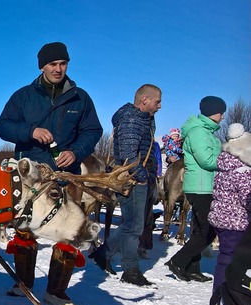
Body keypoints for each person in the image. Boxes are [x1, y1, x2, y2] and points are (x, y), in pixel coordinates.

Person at [0, 41, 103, 305]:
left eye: (63, 63)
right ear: (42, 66)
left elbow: (93, 131)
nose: (58, 68)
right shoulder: (23, 96)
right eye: (53, 64)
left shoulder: (80, 98)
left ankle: (56, 291)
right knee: (25, 229)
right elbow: (3, 126)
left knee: (71, 229)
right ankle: (23, 283)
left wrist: (76, 151)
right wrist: (30, 132)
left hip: (67, 174)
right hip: (31, 175)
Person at [89, 85, 162, 287]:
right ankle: (130, 269)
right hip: (134, 178)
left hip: (138, 176)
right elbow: (130, 154)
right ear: (145, 99)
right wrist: (141, 176)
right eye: (157, 102)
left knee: (131, 223)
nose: (160, 106)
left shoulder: (140, 119)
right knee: (134, 226)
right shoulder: (133, 119)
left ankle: (103, 254)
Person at [165, 96, 226, 282]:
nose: (222, 117)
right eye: (220, 113)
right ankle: (177, 261)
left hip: (206, 185)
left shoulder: (205, 131)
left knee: (200, 229)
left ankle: (192, 267)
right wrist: (230, 161)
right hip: (201, 186)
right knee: (209, 229)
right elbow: (206, 160)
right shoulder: (199, 132)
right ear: (212, 112)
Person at [208, 123, 251, 290]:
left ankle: (225, 290)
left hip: (221, 219)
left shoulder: (224, 169)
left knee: (226, 257)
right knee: (229, 259)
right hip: (236, 222)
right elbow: (247, 199)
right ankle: (224, 292)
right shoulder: (243, 173)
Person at [138, 140, 163, 259]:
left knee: (147, 213)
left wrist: (158, 173)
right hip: (141, 176)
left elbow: (158, 158)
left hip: (150, 177)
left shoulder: (155, 144)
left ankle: (143, 245)